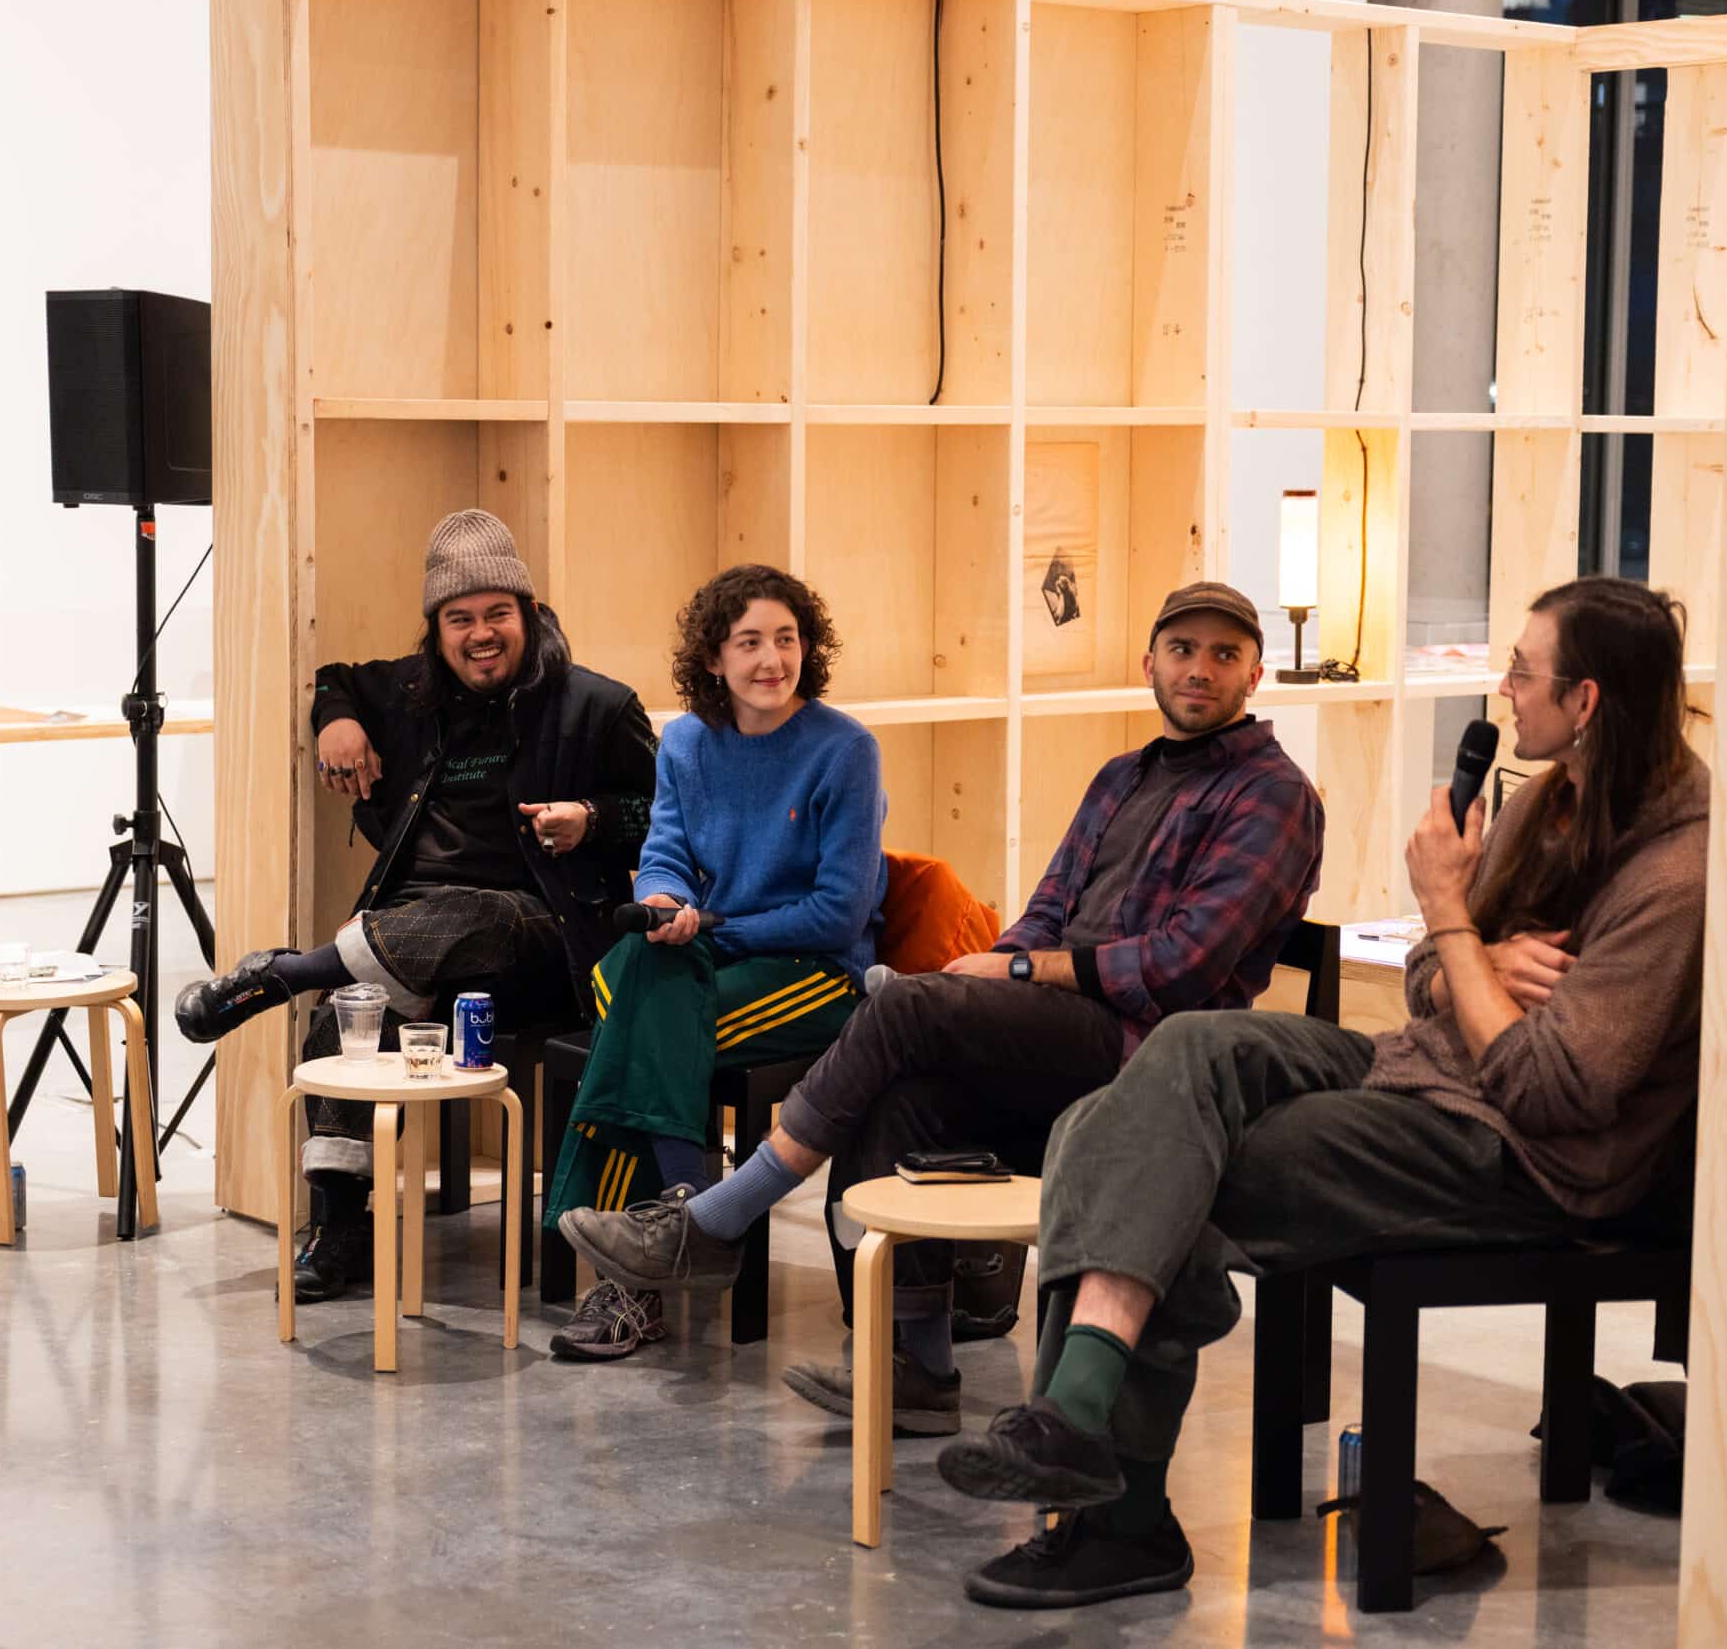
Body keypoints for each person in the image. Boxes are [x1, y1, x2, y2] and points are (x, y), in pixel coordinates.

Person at [941, 576, 1709, 1611]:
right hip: (1426, 1068)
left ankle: (1114, 1513)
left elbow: (1549, 1089)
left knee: (1165, 1160)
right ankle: (1075, 1433)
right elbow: (1430, 979)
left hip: (1525, 1154)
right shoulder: (1547, 800)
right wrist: (1474, 953)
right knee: (1174, 1062)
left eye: (1523, 672)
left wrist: (1451, 917)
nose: (1503, 688)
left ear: (1585, 701)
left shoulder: (1677, 871)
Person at [557, 582, 1324, 1393]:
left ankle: (714, 1220)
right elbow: (1047, 910)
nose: (1199, 669)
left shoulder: (1273, 795)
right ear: (1150, 664)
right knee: (895, 1090)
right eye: (1182, 650)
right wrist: (1000, 969)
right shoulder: (1121, 777)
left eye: (1223, 655)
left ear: (1255, 675)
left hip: (1158, 1049)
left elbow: (1183, 965)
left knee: (899, 1006)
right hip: (1062, 1022)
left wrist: (1015, 971)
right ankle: (917, 1367)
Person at [174, 509, 658, 1302]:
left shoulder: (597, 706)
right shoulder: (411, 692)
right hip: (413, 941)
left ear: (530, 614)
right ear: (436, 630)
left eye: (498, 614)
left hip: (545, 942)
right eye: (459, 619)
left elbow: (666, 815)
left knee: (482, 914)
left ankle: (284, 974)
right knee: (348, 1016)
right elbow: (334, 677)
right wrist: (335, 719)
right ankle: (339, 1228)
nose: (481, 634)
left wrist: (593, 819)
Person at [544, 565, 887, 1362]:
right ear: (713, 657)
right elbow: (664, 849)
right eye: (749, 642)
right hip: (706, 956)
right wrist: (665, 901)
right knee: (638, 973)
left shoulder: (845, 750)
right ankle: (691, 1212)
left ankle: (634, 1280)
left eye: (786, 640)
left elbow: (838, 913)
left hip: (815, 974)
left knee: (636, 1022)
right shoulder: (688, 741)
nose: (772, 660)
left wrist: (709, 928)